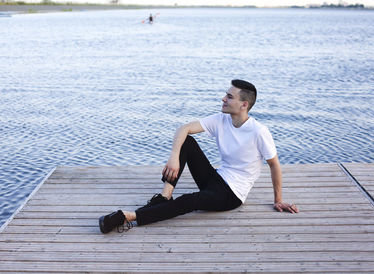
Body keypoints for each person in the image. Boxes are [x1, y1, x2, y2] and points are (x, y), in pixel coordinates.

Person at [99, 79, 299, 233]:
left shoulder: (258, 131)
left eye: (229, 96)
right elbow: (184, 128)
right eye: (225, 94)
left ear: (244, 105)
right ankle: (164, 197)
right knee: (186, 140)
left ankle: (128, 217)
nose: (223, 99)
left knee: (189, 201)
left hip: (231, 195)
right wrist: (174, 157)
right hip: (216, 178)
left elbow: (274, 165)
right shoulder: (221, 120)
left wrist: (278, 199)